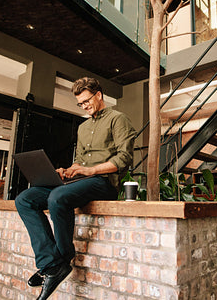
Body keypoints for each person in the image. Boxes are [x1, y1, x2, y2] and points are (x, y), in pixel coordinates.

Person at [15, 77, 136, 300]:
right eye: (80, 104)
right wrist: (69, 170)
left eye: (87, 101)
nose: (84, 106)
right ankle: (51, 264)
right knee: (25, 199)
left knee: (58, 197)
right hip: (79, 182)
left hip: (104, 183)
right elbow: (79, 161)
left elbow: (124, 158)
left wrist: (90, 171)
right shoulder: (82, 127)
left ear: (99, 95)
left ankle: (62, 259)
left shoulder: (118, 119)